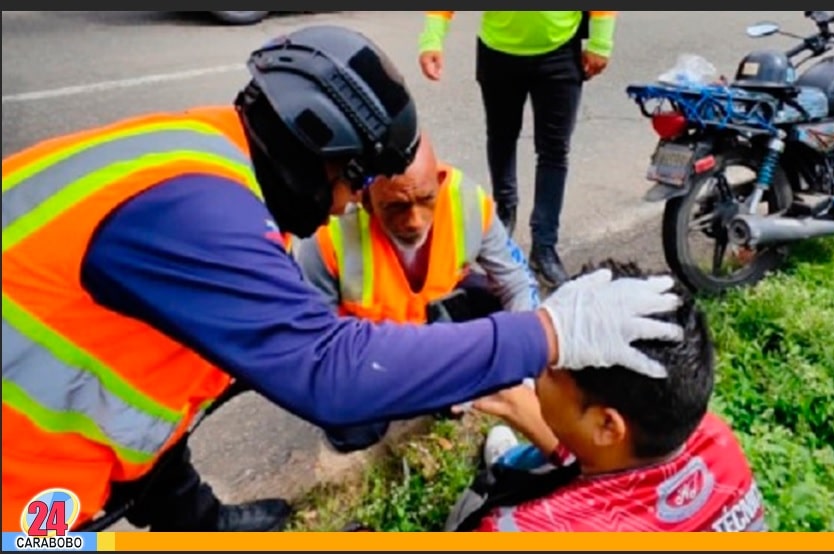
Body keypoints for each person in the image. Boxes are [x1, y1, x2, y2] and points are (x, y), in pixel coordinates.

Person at [1, 25, 683, 534]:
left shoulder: (207, 153)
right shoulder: (200, 216)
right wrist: (547, 334)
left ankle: (201, 527)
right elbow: (330, 375)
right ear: (310, 146)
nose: (348, 204)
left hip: (106, 421)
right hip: (25, 491)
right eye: (354, 181)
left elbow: (166, 372)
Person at [444, 259, 766, 532]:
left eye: (552, 365)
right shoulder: (714, 442)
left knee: (481, 500)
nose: (536, 366)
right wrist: (516, 402)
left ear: (607, 426)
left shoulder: (519, 530)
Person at [295, 132, 541, 453]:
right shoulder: (327, 235)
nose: (414, 220)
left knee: (507, 317)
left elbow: (517, 283)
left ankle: (451, 388)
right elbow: (316, 345)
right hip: (369, 350)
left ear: (438, 182)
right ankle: (437, 391)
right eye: (395, 206)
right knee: (351, 429)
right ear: (365, 198)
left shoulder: (467, 202)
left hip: (435, 322)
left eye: (426, 199)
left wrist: (523, 370)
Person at [417, 11, 618, 288]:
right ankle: (504, 212)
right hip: (498, 50)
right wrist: (432, 39)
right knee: (501, 138)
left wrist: (601, 41)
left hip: (559, 50)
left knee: (554, 151)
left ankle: (544, 246)